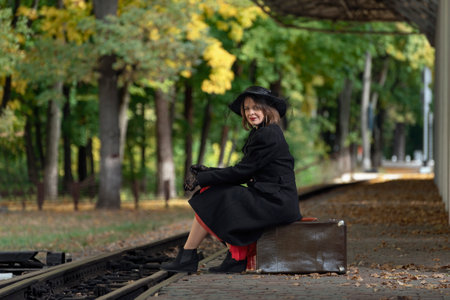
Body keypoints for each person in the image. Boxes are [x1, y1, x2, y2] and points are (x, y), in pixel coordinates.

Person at [161, 86, 302, 273]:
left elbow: (242, 173)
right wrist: (206, 172)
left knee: (215, 196)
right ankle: (223, 257)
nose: (251, 112)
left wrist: (204, 178)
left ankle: (194, 256)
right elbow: (244, 169)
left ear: (267, 109)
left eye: (256, 107)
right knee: (212, 193)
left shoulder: (268, 134)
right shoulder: (262, 132)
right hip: (271, 197)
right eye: (246, 109)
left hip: (275, 202)